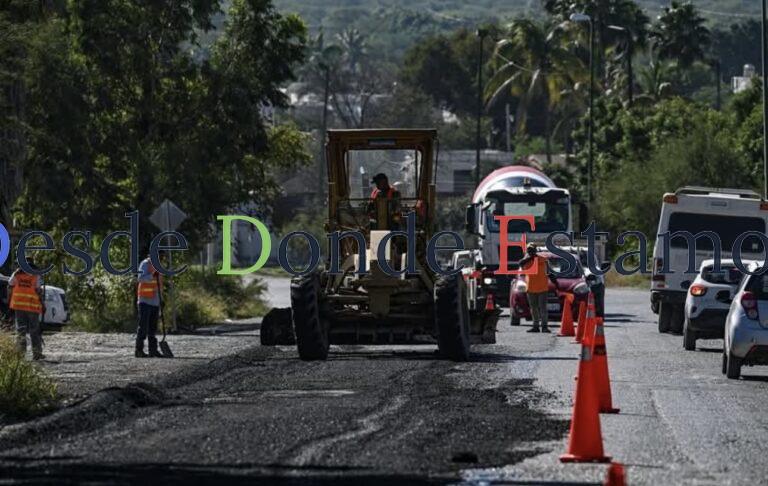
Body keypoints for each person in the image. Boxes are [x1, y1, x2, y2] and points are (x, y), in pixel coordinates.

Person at [8, 259, 45, 360]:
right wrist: (43, 304)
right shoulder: (35, 276)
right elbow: (38, 290)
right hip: (32, 307)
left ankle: (20, 354)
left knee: (21, 330)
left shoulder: (16, 274)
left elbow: (10, 285)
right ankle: (37, 354)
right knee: (34, 330)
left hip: (19, 307)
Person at [517, 244, 557, 333]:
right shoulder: (526, 261)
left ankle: (544, 326)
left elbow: (550, 273)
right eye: (529, 250)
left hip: (542, 288)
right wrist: (530, 257)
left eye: (532, 250)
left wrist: (556, 283)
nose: (531, 252)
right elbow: (520, 263)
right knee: (533, 308)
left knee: (543, 308)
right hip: (531, 288)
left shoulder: (543, 259)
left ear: (535, 250)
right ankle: (535, 326)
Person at [135, 254, 163, 358]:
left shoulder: (159, 267)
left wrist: (161, 300)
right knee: (143, 326)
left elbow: (159, 285)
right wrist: (152, 275)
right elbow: (140, 278)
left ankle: (153, 350)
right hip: (144, 301)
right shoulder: (145, 264)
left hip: (155, 301)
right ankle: (139, 350)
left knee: (152, 328)